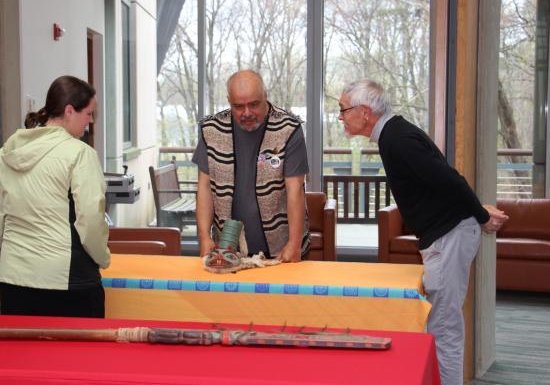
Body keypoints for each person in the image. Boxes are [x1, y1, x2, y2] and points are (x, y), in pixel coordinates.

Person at [337, 79, 508, 385]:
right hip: (445, 234)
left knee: (443, 329)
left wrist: (481, 216)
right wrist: (477, 209)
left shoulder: (396, 138)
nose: (340, 116)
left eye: (343, 109)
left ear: (364, 112)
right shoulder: (393, 134)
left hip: (449, 236)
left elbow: (449, 179)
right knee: (439, 325)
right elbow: (437, 182)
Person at [0, 75, 111, 318]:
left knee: (20, 357)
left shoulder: (8, 152)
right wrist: (103, 257)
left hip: (12, 279)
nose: (90, 121)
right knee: (77, 356)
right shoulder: (80, 154)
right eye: (89, 113)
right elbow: (90, 220)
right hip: (67, 281)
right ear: (70, 110)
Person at [192, 70, 309, 262]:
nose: (247, 113)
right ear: (229, 101)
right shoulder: (211, 130)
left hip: (281, 247)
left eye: (254, 104)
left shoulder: (288, 129)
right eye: (238, 106)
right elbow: (204, 186)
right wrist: (204, 237)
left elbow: (295, 189)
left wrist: (294, 244)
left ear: (265, 96)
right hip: (226, 247)